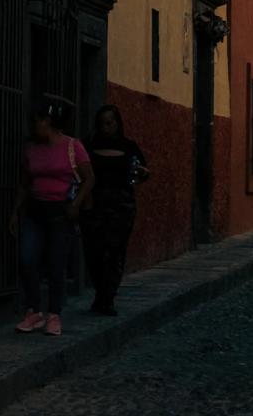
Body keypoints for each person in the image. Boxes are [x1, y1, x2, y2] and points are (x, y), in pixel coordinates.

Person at [10, 101, 94, 337]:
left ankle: (54, 314)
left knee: (56, 263)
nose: (34, 125)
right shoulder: (32, 149)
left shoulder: (72, 147)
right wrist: (16, 211)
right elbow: (25, 183)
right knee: (27, 259)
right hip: (36, 210)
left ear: (48, 122)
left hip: (61, 211)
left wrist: (76, 205)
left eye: (38, 120)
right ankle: (34, 311)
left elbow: (89, 179)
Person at [80, 105, 149, 316]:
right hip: (94, 206)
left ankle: (107, 298)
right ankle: (101, 293)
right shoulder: (89, 147)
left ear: (118, 123)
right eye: (102, 122)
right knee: (94, 252)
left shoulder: (129, 147)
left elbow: (142, 173)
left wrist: (142, 172)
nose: (106, 126)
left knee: (115, 252)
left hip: (122, 206)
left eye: (110, 122)